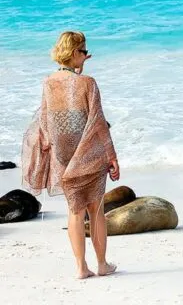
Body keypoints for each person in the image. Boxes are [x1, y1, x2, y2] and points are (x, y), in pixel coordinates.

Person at [21, 31, 120, 279]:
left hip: (63, 156)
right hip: (89, 153)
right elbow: (96, 122)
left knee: (75, 211)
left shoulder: (48, 83)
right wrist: (112, 156)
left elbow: (46, 120)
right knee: (95, 209)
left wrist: (47, 152)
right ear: (75, 53)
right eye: (84, 52)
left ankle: (80, 268)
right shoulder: (88, 83)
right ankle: (101, 264)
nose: (86, 56)